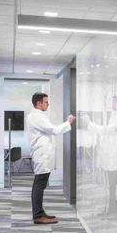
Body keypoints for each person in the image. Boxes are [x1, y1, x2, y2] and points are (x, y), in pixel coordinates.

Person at [25, 92, 74, 225]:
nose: (48, 104)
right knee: (39, 185)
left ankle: (40, 212)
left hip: (42, 155)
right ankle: (37, 215)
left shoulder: (37, 116)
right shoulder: (36, 117)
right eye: (46, 102)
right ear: (38, 103)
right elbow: (54, 130)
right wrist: (68, 122)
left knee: (40, 185)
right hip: (41, 155)